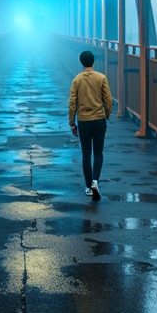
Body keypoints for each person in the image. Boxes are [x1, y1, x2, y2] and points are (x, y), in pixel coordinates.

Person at [68, 50, 112, 201]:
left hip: (84, 121)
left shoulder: (77, 80)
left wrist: (72, 123)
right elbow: (108, 100)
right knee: (98, 153)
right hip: (99, 120)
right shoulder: (101, 78)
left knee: (86, 154)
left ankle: (88, 187)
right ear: (93, 62)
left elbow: (72, 103)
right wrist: (107, 114)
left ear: (81, 62)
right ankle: (95, 182)